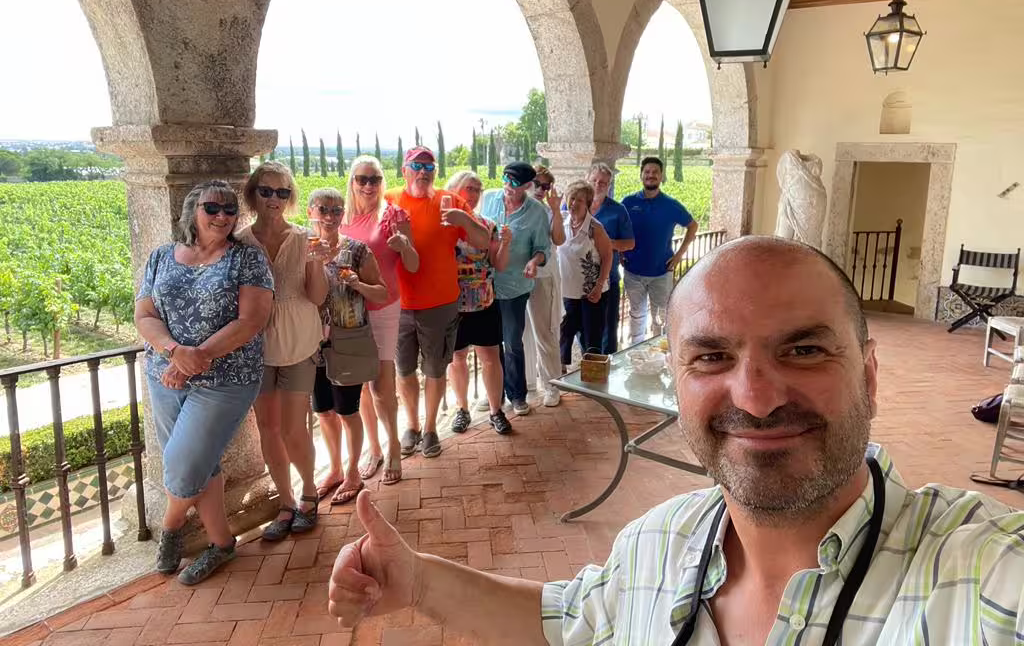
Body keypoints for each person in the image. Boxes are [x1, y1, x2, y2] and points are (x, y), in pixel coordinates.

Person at [327, 236, 1024, 644]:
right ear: (678, 378)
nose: (755, 396)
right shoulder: (659, 542)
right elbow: (574, 622)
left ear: (870, 376)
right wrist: (418, 578)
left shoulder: (985, 580)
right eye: (712, 357)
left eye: (805, 350)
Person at [134, 180, 273, 585]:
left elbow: (252, 320)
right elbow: (144, 315)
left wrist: (198, 357)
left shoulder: (246, 259)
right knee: (202, 462)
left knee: (182, 464)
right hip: (166, 373)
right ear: (192, 211)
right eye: (213, 208)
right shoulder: (161, 256)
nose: (223, 216)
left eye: (230, 210)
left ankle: (171, 528)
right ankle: (222, 543)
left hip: (226, 378)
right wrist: (175, 352)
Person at [236, 163, 328, 542]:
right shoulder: (241, 242)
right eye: (266, 191)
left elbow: (318, 297)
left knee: (294, 427)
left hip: (298, 341)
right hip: (257, 344)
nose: (274, 199)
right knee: (269, 430)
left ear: (290, 197)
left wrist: (319, 262)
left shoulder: (304, 238)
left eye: (282, 192)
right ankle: (286, 502)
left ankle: (309, 492)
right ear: (253, 194)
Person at [385, 146, 490, 459]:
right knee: (403, 370)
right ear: (404, 170)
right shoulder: (389, 200)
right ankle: (411, 426)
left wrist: (463, 220)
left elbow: (483, 241)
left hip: (440, 302)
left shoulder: (450, 202)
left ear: (436, 172)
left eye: (429, 167)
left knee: (434, 369)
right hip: (399, 304)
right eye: (416, 166)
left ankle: (430, 429)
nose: (423, 172)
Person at [337, 156, 419, 488]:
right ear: (352, 182)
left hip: (384, 306)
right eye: (361, 179)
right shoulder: (341, 218)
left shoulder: (393, 215)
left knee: (382, 385)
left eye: (374, 179)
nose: (368, 185)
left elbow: (412, 265)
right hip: (351, 310)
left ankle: (394, 446)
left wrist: (405, 245)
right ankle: (374, 449)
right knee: (362, 386)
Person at [309, 188, 389, 505]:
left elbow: (382, 293)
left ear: (343, 215)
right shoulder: (302, 248)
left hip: (349, 341)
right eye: (323, 209)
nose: (330, 216)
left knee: (347, 410)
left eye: (336, 210)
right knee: (324, 412)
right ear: (310, 211)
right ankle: (335, 469)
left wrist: (358, 283)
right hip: (311, 343)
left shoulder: (357, 251)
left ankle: (353, 471)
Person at [479, 162, 551, 417]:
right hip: (485, 284)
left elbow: (543, 249)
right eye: (506, 181)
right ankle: (493, 395)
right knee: (489, 342)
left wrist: (534, 262)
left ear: (527, 186)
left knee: (512, 342)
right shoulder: (488, 199)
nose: (508, 188)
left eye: (515, 184)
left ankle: (517, 395)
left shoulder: (537, 212)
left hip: (515, 287)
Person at [445, 170, 513, 435]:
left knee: (490, 358)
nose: (472, 194)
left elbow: (499, 264)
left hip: (484, 301)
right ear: (454, 190)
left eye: (477, 189)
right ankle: (462, 410)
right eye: (468, 188)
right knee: (457, 358)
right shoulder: (444, 225)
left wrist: (505, 245)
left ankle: (496, 411)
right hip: (452, 303)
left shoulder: (488, 225)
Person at [622, 156, 698, 345]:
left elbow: (693, 226)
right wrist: (620, 252)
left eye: (655, 172)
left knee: (662, 318)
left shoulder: (671, 205)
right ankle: (636, 353)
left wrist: (680, 255)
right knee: (637, 315)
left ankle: (659, 357)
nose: (651, 175)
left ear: (661, 176)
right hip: (633, 272)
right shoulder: (628, 203)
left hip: (661, 272)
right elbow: (617, 229)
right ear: (641, 175)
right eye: (647, 172)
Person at [523, 165, 565, 408]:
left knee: (545, 333)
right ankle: (528, 382)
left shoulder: (549, 212)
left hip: (543, 276)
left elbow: (559, 239)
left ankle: (551, 384)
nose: (540, 189)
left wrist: (557, 210)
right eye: (536, 184)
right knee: (520, 334)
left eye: (545, 185)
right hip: (517, 278)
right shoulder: (519, 208)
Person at [557, 181, 612, 366]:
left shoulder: (595, 228)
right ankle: (560, 377)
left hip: (592, 294)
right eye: (572, 198)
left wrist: (598, 286)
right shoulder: (562, 221)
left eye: (580, 200)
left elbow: (607, 257)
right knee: (564, 335)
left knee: (592, 339)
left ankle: (594, 386)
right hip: (567, 293)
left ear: (587, 204)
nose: (574, 203)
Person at [586, 163, 633, 354]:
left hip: (608, 280)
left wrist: (605, 242)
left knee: (608, 330)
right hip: (579, 281)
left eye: (603, 182)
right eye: (594, 180)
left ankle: (608, 374)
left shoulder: (618, 210)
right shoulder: (574, 204)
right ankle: (586, 373)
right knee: (583, 329)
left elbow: (629, 243)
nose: (598, 185)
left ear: (609, 185)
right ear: (587, 179)